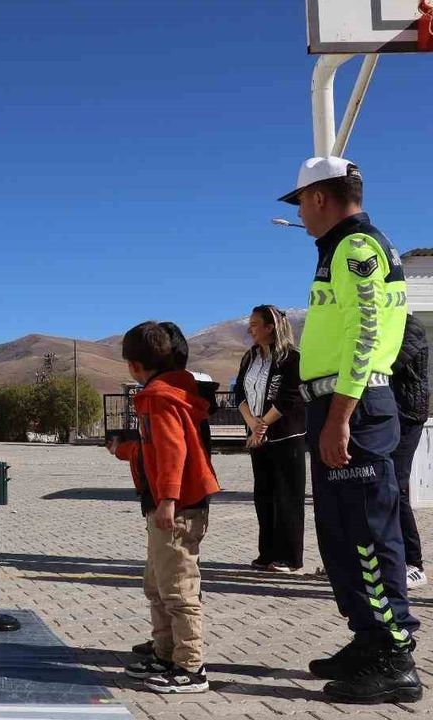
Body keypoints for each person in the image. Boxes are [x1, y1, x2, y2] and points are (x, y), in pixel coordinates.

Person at [279, 156, 421, 702]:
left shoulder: (355, 248)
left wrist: (339, 416)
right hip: (340, 405)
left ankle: (393, 656)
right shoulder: (343, 248)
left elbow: (366, 336)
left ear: (319, 197)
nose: (302, 219)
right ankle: (368, 639)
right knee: (341, 534)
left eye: (301, 206)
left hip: (354, 408)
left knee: (366, 531)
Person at [115, 321, 220, 694]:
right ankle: (165, 653)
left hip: (176, 509)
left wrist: (168, 501)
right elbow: (156, 448)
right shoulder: (168, 394)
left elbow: (174, 453)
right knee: (157, 584)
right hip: (166, 506)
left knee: (177, 587)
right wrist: (126, 450)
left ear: (135, 366)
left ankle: (191, 666)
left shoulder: (159, 398)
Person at [233, 305, 306, 573]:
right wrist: (252, 424)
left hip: (286, 435)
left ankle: (290, 557)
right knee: (263, 495)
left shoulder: (292, 358)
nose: (249, 329)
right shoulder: (250, 357)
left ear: (270, 327)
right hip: (257, 437)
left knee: (287, 496)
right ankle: (268, 553)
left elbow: (289, 396)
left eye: (254, 324)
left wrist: (263, 424)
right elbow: (239, 390)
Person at [390, 313, 429, 589]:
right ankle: (389, 559)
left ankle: (414, 564)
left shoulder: (409, 326)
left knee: (397, 487)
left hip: (408, 415)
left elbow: (391, 362)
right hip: (389, 415)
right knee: (383, 487)